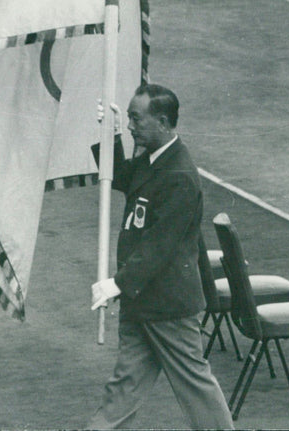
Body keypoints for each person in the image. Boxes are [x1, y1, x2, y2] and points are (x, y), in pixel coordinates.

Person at [88, 83, 233, 430]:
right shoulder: (154, 159)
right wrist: (110, 135)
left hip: (167, 306)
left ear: (164, 122)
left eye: (136, 119)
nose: (133, 125)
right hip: (143, 302)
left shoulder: (179, 175)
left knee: (195, 387)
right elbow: (121, 177)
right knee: (124, 387)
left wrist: (117, 284)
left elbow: (159, 245)